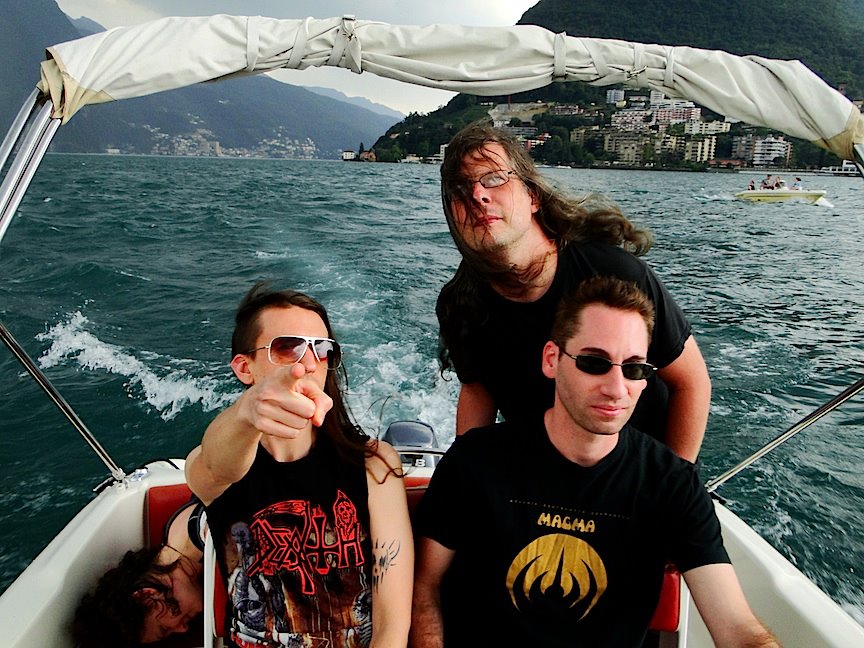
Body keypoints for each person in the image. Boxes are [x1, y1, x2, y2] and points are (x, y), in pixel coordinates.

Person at [412, 276, 779, 648]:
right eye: (593, 362)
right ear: (552, 360)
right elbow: (425, 587)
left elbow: (738, 628)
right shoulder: (476, 462)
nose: (616, 388)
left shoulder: (671, 485)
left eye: (634, 368)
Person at [436, 121, 710, 462]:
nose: (477, 196)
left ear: (532, 196)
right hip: (544, 473)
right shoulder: (461, 302)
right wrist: (466, 474)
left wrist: (675, 480)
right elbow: (478, 390)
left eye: (493, 178)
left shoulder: (613, 273)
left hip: (638, 470)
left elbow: (690, 382)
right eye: (460, 189)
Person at [185, 282, 413, 648]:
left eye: (322, 349)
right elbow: (213, 467)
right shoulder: (221, 465)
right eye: (288, 347)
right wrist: (247, 412)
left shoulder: (374, 465)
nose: (308, 363)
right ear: (244, 367)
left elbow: (392, 626)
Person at [72, 498, 207, 647]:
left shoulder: (210, 531)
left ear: (146, 596)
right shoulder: (179, 536)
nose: (183, 629)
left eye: (164, 628)